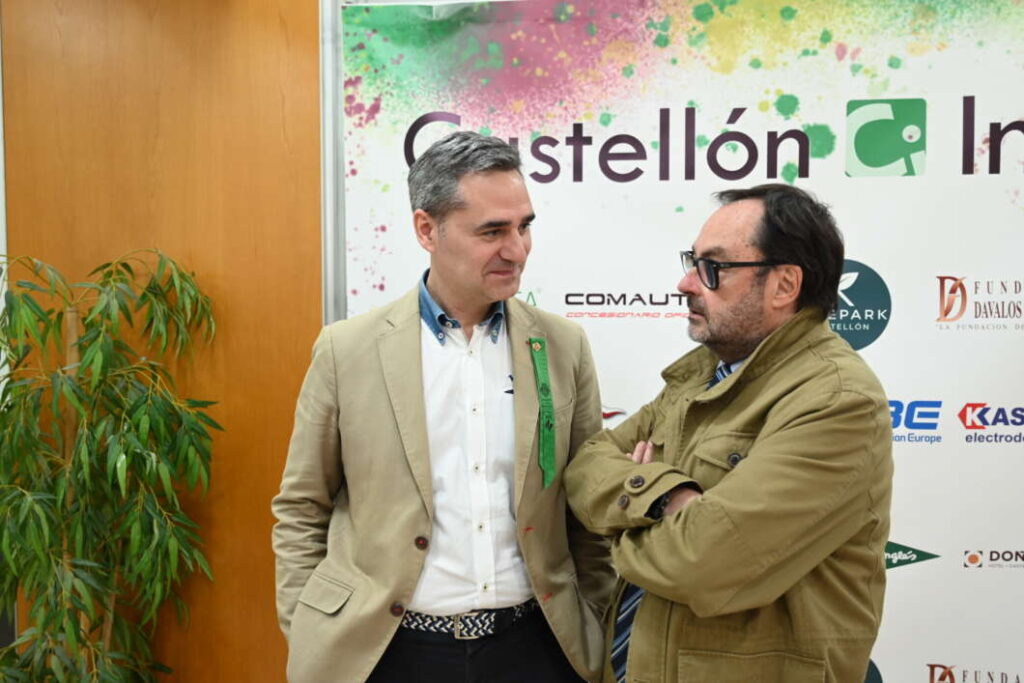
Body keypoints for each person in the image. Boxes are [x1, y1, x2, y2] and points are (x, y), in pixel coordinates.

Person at [272, 131, 614, 682]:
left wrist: (592, 614)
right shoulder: (347, 350)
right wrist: (310, 626)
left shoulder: (562, 345)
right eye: (492, 231)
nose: (517, 249)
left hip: (535, 648)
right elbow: (302, 507)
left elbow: (587, 506)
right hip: (387, 653)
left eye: (524, 226)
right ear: (426, 230)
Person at [565, 184, 893, 683]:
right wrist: (666, 498)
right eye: (692, 262)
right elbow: (587, 465)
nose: (685, 283)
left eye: (713, 268)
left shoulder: (837, 400)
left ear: (784, 284)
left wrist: (621, 516)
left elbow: (700, 564)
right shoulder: (703, 374)